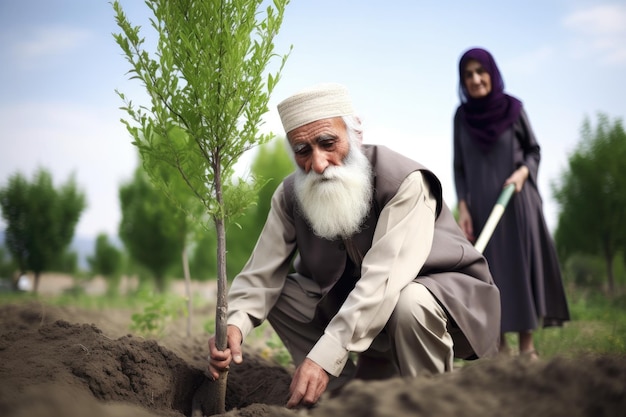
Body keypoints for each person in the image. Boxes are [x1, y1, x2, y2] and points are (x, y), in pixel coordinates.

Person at [208, 83, 501, 408]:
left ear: (355, 134)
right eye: (303, 151)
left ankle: (429, 402)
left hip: (444, 309)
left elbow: (383, 280)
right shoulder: (291, 194)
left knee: (410, 302)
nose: (318, 164)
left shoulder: (405, 182)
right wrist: (234, 324)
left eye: (328, 143)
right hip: (360, 313)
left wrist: (324, 356)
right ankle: (344, 401)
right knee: (278, 293)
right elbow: (260, 275)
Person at [452, 47, 570, 360]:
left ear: (492, 73)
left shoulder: (514, 109)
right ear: (462, 81)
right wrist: (464, 208)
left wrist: (522, 173)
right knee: (492, 275)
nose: (476, 79)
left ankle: (528, 348)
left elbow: (534, 150)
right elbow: (459, 167)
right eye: (469, 74)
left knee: (519, 269)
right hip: (481, 209)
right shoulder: (462, 118)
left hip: (517, 203)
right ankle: (501, 349)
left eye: (481, 71)